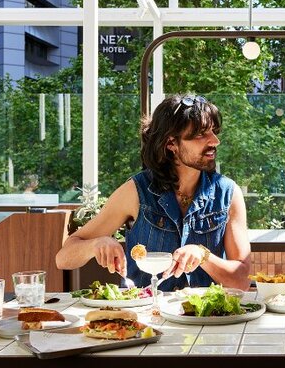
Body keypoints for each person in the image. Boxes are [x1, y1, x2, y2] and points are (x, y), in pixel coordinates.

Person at [55, 94, 252, 291]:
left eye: (214, 131)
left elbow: (241, 280)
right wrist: (96, 244)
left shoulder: (228, 193)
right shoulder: (135, 191)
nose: (215, 141)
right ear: (171, 144)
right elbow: (63, 258)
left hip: (209, 318)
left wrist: (203, 255)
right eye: (201, 134)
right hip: (147, 317)